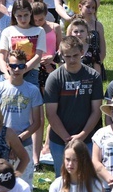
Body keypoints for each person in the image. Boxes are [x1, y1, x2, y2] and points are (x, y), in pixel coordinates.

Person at [44, 36, 104, 177]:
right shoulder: (54, 78)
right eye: (67, 56)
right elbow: (51, 114)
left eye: (75, 55)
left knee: (87, 180)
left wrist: (82, 136)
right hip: (59, 140)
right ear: (61, 54)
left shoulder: (93, 76)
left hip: (88, 139)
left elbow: (97, 111)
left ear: (82, 52)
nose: (71, 60)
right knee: (63, 180)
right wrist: (67, 138)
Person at [0, 49, 43, 186]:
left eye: (20, 66)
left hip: (24, 143)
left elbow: (37, 123)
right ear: (7, 66)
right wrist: (6, 140)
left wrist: (17, 140)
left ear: (26, 67)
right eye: (13, 66)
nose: (16, 69)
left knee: (23, 186)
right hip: (0, 143)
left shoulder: (32, 90)